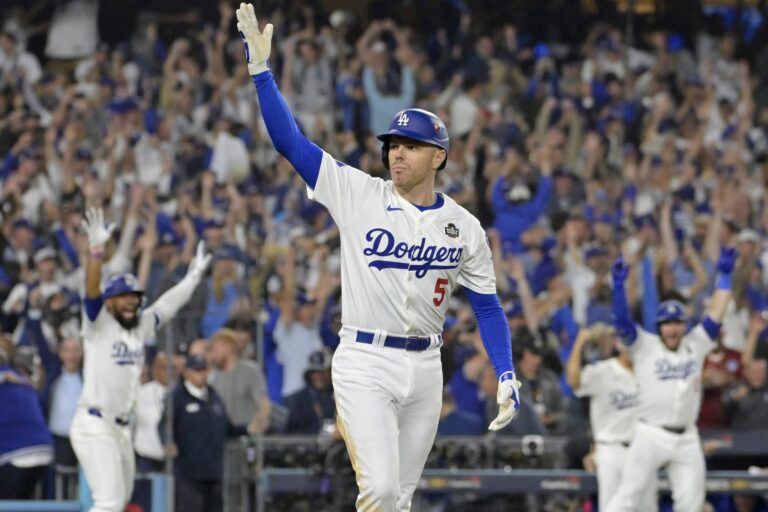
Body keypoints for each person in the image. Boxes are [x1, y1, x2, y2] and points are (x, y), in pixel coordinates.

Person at [235, 4, 522, 510]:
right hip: (366, 361)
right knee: (382, 490)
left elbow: (487, 307)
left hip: (428, 366)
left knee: (400, 499)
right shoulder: (360, 194)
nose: (396, 153)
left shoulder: (464, 226)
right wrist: (262, 73)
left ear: (438, 156)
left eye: (410, 146)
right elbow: (290, 143)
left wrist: (504, 371)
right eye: (392, 144)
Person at [70, 207, 211, 512]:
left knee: (119, 503)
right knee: (107, 503)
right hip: (94, 423)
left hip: (122, 429)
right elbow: (91, 290)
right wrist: (95, 252)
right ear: (110, 302)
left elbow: (168, 305)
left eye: (134, 296)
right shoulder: (97, 324)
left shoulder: (142, 323)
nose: (131, 301)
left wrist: (194, 277)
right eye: (123, 296)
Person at [606, 247, 737, 512]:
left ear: (685, 325)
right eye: (667, 323)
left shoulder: (696, 343)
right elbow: (622, 322)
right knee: (628, 498)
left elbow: (716, 314)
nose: (673, 327)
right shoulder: (645, 345)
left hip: (687, 437)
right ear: (659, 326)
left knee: (690, 503)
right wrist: (618, 289)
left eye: (678, 322)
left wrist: (724, 275)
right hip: (650, 433)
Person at [565, 324, 656, 512]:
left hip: (643, 450)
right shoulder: (603, 371)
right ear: (620, 345)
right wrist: (580, 341)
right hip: (612, 450)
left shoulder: (648, 372)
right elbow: (573, 381)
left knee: (647, 508)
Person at [163, 353, 258, 512]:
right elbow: (164, 425)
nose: (200, 374)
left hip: (214, 471)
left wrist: (248, 428)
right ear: (186, 372)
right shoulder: (177, 398)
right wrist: (167, 441)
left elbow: (227, 428)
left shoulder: (214, 397)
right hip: (188, 473)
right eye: (196, 370)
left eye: (203, 370)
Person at [207, 328, 270, 431]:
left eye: (215, 349)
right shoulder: (213, 376)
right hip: (225, 437)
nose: (213, 355)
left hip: (248, 436)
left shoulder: (250, 370)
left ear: (228, 348)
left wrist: (259, 423)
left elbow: (263, 403)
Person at [283, 348, 335, 435]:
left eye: (322, 372)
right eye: (314, 372)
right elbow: (291, 432)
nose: (318, 376)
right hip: (308, 446)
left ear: (331, 372)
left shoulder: (340, 395)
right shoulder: (299, 399)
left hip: (339, 446)